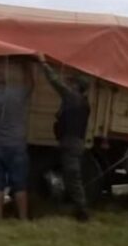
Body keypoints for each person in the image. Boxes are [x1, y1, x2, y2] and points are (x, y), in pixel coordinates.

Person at [37, 54, 92, 222]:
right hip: (74, 143)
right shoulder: (81, 100)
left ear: (76, 86)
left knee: (72, 176)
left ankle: (82, 212)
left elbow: (55, 82)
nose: (70, 83)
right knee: (70, 175)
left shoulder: (72, 98)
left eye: (72, 82)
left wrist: (43, 63)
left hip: (70, 143)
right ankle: (78, 208)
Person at [0, 57, 33, 220]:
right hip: (16, 146)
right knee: (19, 185)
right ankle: (23, 218)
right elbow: (31, 84)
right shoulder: (17, 95)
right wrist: (26, 65)